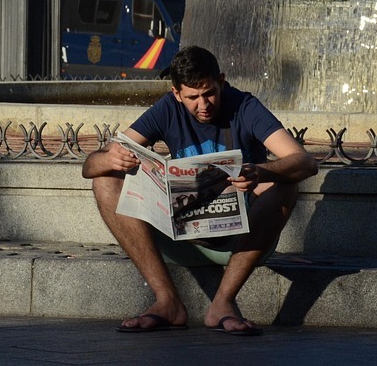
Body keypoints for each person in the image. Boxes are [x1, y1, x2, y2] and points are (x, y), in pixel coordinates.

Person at [82, 45, 318, 334]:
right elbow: (89, 167)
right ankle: (167, 301)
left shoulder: (244, 106)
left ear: (221, 81)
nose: (203, 104)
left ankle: (223, 302)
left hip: (241, 239)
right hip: (180, 237)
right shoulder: (167, 109)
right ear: (177, 94)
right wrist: (109, 159)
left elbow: (305, 161)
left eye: (209, 93)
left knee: (285, 185)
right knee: (105, 180)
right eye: (192, 97)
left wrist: (260, 171)